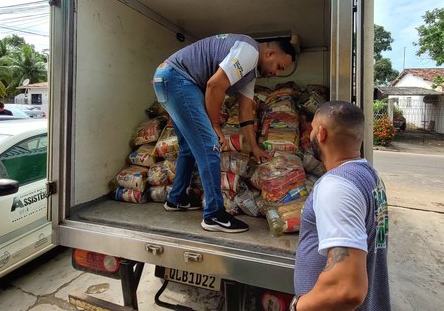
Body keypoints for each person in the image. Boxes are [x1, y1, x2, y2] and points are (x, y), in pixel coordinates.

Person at [152, 33, 296, 233]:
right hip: (178, 79)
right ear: (270, 53)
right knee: (210, 145)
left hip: (168, 77)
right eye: (279, 67)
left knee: (188, 147)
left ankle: (176, 198)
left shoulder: (249, 70)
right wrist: (215, 127)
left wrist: (254, 147)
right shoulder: (249, 51)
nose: (277, 73)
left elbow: (246, 111)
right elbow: (214, 85)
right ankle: (214, 215)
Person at [290, 101, 390, 310]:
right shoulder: (368, 175)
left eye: (312, 130)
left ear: (322, 134)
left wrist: (299, 306)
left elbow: (346, 289)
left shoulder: (336, 187)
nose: (310, 136)